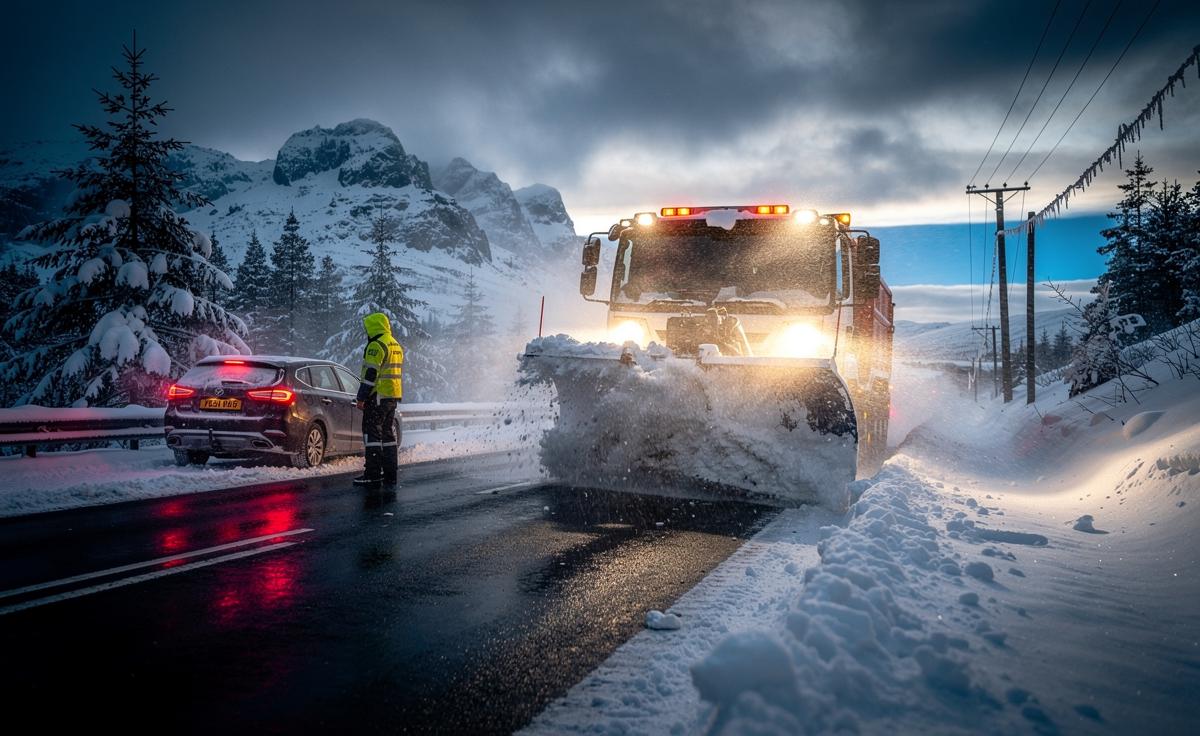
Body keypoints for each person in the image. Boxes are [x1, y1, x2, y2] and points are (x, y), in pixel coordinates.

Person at [353, 312, 404, 487]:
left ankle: (372, 474)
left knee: (372, 435)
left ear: (374, 327)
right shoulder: (395, 344)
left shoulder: (376, 345)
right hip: (392, 397)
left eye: (367, 328)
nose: (366, 332)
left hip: (377, 396)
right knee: (389, 436)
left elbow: (370, 375)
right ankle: (390, 474)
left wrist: (361, 397)